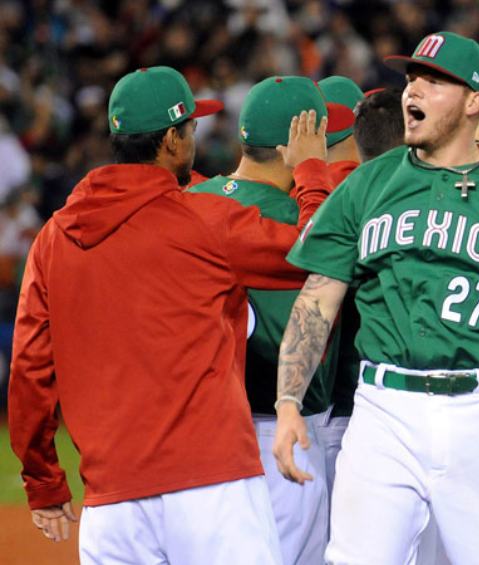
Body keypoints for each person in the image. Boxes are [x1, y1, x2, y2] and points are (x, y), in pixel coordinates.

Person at [272, 31, 479, 564]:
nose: (413, 90)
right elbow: (317, 302)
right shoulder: (368, 184)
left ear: (475, 102)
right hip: (382, 411)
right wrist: (289, 402)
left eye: (434, 82)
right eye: (412, 79)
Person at [7, 66, 333, 564]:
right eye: (190, 129)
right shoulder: (204, 220)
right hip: (212, 487)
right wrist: (310, 172)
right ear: (170, 141)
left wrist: (44, 480)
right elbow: (317, 253)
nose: (193, 141)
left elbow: (30, 369)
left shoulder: (54, 237)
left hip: (112, 503)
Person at [187, 75, 349, 565]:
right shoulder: (299, 215)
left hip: (198, 436)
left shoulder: (190, 199)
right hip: (281, 430)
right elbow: (326, 250)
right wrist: (313, 173)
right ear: (294, 144)